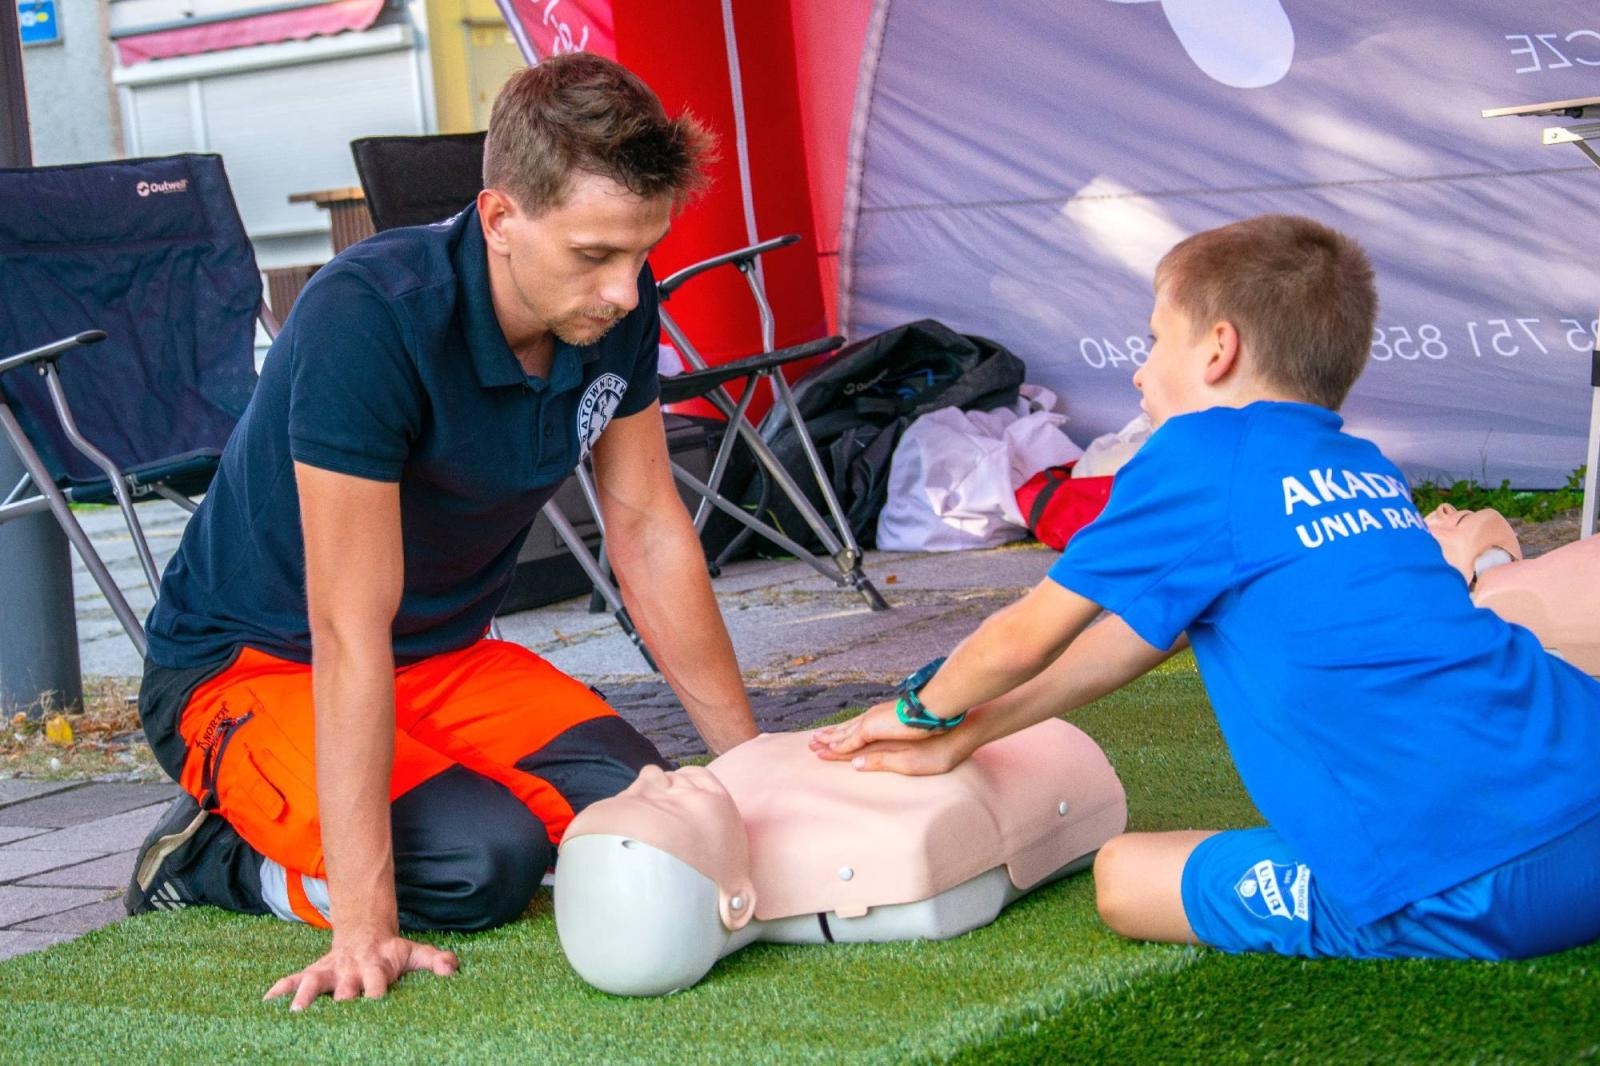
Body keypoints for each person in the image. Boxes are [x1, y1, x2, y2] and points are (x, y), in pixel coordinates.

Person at [126, 53, 759, 1009]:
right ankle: (209, 857)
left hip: (443, 658)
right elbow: (346, 625)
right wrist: (364, 925)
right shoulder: (369, 316)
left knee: (654, 815)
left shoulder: (607, 305)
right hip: (256, 667)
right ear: (500, 219)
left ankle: (397, 805)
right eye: (595, 254)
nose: (628, 291)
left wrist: (752, 773)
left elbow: (646, 528)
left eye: (642, 253)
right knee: (481, 864)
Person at [813, 214, 1600, 962]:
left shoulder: (1199, 452)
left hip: (1473, 886)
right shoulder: (1363, 463)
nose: (1140, 369)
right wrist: (971, 733)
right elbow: (1136, 640)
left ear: (1219, 348)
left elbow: (1022, 639)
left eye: (1155, 339)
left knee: (1123, 877)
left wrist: (920, 710)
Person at [553, 721, 1127, 995]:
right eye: (662, 804)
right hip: (1043, 749)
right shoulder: (887, 851)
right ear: (737, 903)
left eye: (631, 793)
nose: (652, 774)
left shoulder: (728, 783)